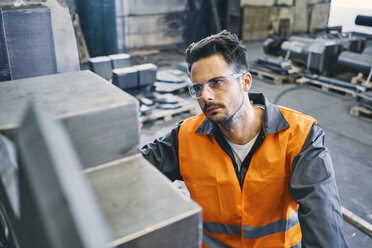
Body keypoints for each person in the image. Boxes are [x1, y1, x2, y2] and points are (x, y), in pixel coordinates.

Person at [141, 30, 348, 248]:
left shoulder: (300, 136)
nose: (206, 96)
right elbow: (130, 170)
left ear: (246, 82)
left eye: (217, 82)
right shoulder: (184, 138)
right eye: (198, 88)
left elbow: (324, 228)